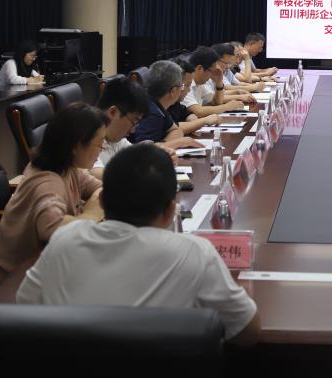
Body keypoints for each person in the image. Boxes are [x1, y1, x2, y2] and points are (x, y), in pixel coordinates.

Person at [16, 142, 261, 345]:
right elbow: (247, 331)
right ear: (170, 211)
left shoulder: (64, 240)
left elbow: (24, 306)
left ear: (101, 201)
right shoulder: (195, 252)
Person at [0, 103, 107, 280]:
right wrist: (91, 214)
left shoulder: (68, 167)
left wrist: (92, 206)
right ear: (76, 146)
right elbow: (54, 231)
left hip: (50, 264)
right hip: (18, 278)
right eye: (99, 144)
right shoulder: (46, 183)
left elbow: (101, 188)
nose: (102, 150)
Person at [131, 60, 205, 149]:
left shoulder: (159, 105)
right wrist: (178, 143)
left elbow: (177, 131)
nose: (183, 90)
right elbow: (144, 150)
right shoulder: (151, 111)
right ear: (173, 91)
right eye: (181, 86)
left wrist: (166, 144)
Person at [90, 76, 152, 179]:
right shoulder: (86, 135)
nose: (133, 130)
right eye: (133, 122)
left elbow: (138, 158)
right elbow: (96, 175)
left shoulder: (115, 138)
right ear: (113, 112)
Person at [182, 46, 245, 118]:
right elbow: (198, 111)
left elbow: (217, 102)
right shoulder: (185, 82)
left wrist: (219, 82)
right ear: (200, 68)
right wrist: (226, 107)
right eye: (211, 71)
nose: (212, 76)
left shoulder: (200, 83)